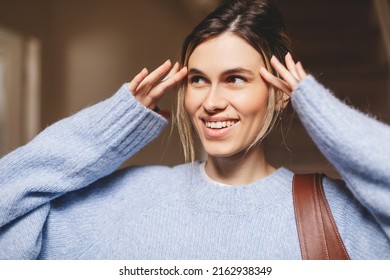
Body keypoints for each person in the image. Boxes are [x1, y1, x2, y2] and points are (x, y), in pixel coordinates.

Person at [0, 0, 389, 260]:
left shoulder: (339, 215)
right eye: (199, 80)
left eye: (235, 79)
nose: (211, 101)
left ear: (281, 94)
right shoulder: (123, 202)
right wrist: (113, 125)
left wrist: (315, 106)